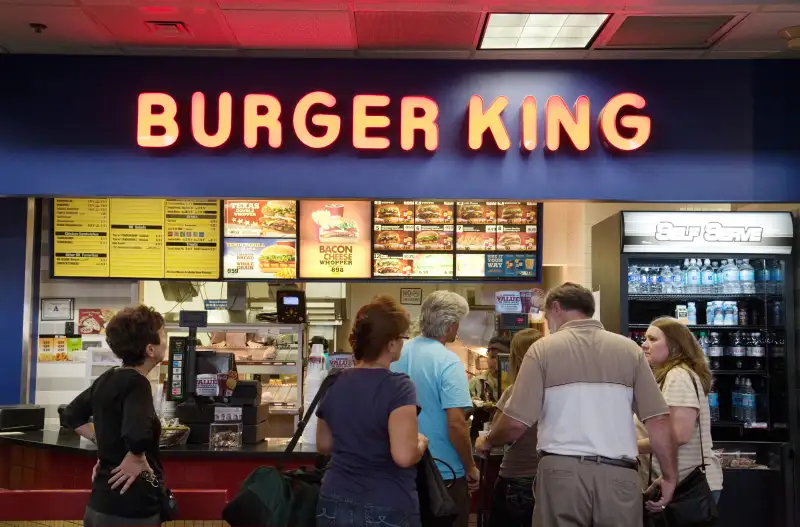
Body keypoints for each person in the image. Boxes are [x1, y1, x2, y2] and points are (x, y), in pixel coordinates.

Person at [477, 282, 678, 527]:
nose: (549, 324)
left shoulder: (543, 349)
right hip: (620, 476)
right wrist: (669, 476)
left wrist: (488, 441)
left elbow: (515, 424)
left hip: (561, 476)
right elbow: (657, 420)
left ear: (556, 307)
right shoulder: (629, 350)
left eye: (548, 316)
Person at [316, 296, 427, 527]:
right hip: (385, 501)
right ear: (391, 343)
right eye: (403, 338)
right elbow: (404, 456)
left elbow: (324, 445)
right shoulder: (398, 386)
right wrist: (420, 444)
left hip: (333, 499)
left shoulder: (334, 380)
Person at [60, 305, 167, 527]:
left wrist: (106, 442)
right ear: (150, 349)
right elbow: (137, 435)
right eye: (164, 334)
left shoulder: (107, 378)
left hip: (99, 504)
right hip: (132, 507)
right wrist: (135, 455)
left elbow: (70, 415)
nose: (166, 340)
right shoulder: (138, 383)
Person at [391, 291, 478, 527]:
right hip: (443, 472)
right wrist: (470, 467)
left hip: (399, 467)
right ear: (450, 325)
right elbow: (456, 423)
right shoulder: (447, 361)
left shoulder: (397, 352)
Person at [637, 317, 723, 504]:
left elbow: (678, 435)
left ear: (675, 346)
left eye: (652, 339)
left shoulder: (678, 376)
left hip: (687, 486)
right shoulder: (671, 375)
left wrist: (632, 446)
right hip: (680, 483)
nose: (644, 345)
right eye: (645, 339)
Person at [477, 329, 542, 527]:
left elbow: (503, 429)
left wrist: (485, 441)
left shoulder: (516, 390)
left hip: (518, 477)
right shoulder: (558, 390)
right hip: (549, 478)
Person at [469, 336, 509, 403]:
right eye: (492, 357)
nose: (496, 361)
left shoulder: (516, 383)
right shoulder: (476, 383)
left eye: (501, 357)